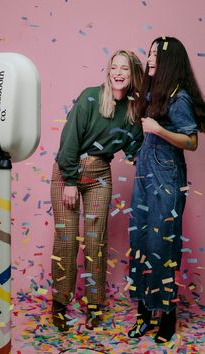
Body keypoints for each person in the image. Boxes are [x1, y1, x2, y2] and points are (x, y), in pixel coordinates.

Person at [50, 49, 144, 331]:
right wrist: (69, 181)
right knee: (66, 241)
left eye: (124, 69)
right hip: (68, 171)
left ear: (132, 75)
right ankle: (59, 304)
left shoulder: (131, 111)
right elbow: (69, 140)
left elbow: (134, 148)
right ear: (108, 71)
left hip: (100, 175)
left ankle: (94, 305)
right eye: (114, 67)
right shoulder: (90, 97)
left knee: (95, 242)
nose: (118, 72)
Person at [127, 36, 205, 343]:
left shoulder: (179, 97)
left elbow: (192, 142)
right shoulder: (152, 92)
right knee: (141, 244)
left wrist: (159, 130)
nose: (149, 59)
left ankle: (168, 316)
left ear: (169, 61)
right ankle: (145, 313)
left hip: (167, 180)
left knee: (162, 248)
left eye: (155, 55)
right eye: (148, 53)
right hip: (144, 176)